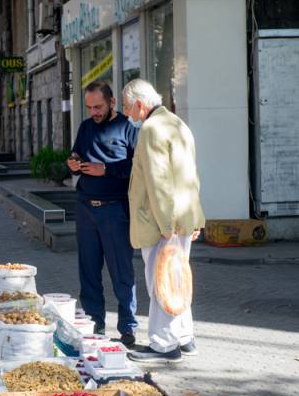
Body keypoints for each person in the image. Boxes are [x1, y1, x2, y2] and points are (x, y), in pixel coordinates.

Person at [121, 79, 205, 363]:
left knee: (161, 282)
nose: (125, 113)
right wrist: (195, 219)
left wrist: (166, 228)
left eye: (127, 107)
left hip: (160, 223)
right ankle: (184, 337)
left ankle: (164, 344)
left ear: (140, 105)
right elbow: (189, 176)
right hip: (181, 216)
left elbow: (159, 184)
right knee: (177, 278)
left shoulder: (151, 129)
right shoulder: (177, 124)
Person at [66, 81, 139, 347]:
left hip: (115, 209)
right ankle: (94, 321)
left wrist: (105, 169)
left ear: (112, 103)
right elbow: (76, 154)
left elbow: (138, 166)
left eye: (98, 106)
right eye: (89, 107)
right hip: (86, 207)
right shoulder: (86, 127)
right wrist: (73, 162)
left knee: (121, 270)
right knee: (88, 269)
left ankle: (128, 326)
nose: (94, 112)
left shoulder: (127, 127)